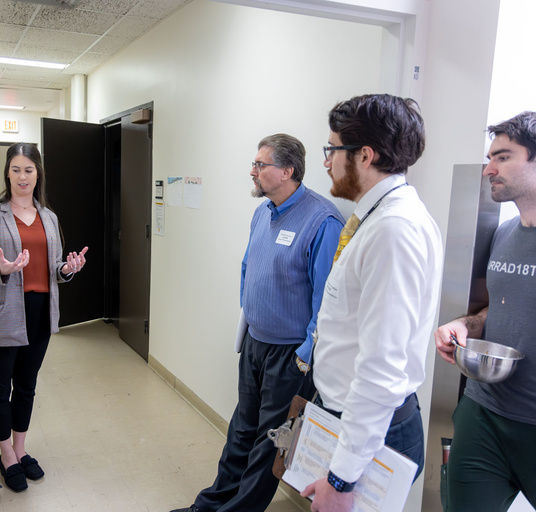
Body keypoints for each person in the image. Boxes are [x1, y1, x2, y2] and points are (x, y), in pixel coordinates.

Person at [172, 134, 344, 512]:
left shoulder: (323, 220)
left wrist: (306, 354)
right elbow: (249, 267)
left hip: (290, 355)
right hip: (255, 343)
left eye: (260, 165)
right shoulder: (263, 211)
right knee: (242, 429)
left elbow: (327, 302)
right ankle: (211, 504)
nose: (252, 171)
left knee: (270, 442)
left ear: (287, 171)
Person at [300, 94, 443, 512]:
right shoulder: (375, 218)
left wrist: (342, 477)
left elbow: (382, 366)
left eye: (331, 150)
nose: (326, 161)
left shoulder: (393, 230)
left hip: (372, 431)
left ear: (364, 155)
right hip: (352, 420)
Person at [0, 142, 88, 493]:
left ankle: (20, 448)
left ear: (38, 174)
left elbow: (54, 268)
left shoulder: (49, 217)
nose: (22, 177)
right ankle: (5, 455)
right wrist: (0, 270)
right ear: (7, 172)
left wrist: (68, 268)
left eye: (29, 170)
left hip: (40, 313)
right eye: (16, 169)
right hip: (3, 313)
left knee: (27, 387)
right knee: (0, 388)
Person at [434, 112, 536, 512]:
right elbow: (499, 307)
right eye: (490, 157)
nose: (488, 169)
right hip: (483, 414)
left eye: (503, 157)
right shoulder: (505, 234)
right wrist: (464, 323)